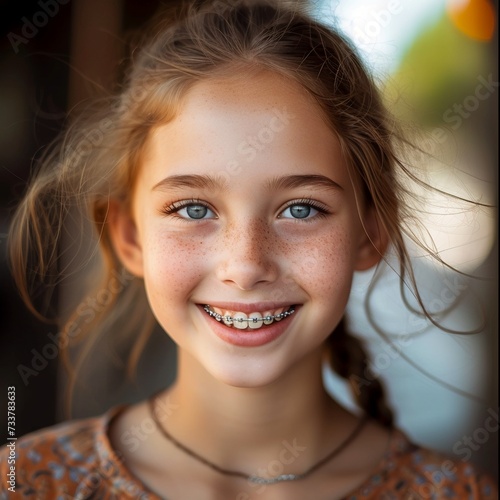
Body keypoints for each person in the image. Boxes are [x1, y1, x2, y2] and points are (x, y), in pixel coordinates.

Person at [0, 1, 497, 498]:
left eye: (300, 209)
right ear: (130, 238)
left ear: (370, 233)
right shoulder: (28, 484)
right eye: (194, 209)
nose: (246, 265)